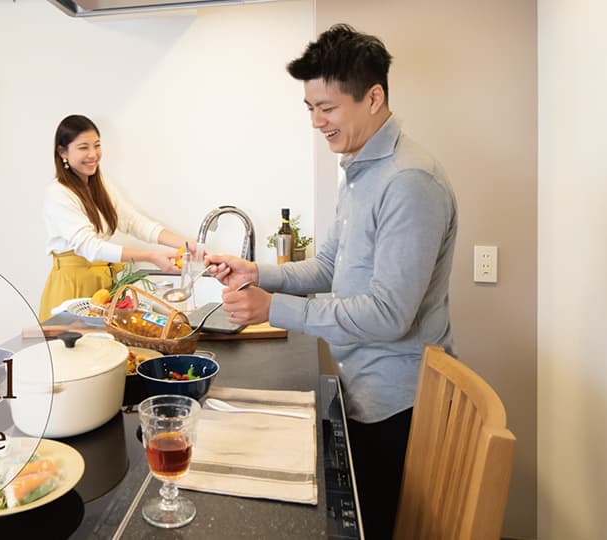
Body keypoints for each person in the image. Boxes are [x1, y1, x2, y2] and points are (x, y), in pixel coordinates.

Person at [205, 24, 457, 540]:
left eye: (327, 108)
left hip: (397, 406)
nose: (316, 122)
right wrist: (258, 273)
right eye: (310, 108)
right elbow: (328, 266)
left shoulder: (409, 181)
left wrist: (273, 307)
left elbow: (389, 314)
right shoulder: (358, 170)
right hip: (358, 386)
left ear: (373, 97)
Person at [39, 114, 192, 320]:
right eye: (83, 147)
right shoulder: (58, 193)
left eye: (97, 145)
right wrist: (150, 256)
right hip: (71, 288)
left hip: (102, 288)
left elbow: (135, 223)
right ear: (62, 152)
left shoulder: (100, 186)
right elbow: (91, 247)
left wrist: (189, 245)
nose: (93, 154)